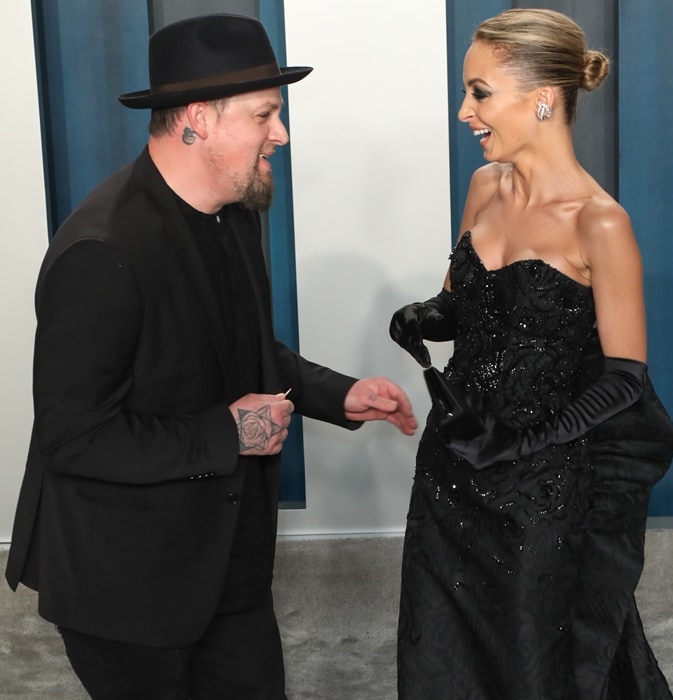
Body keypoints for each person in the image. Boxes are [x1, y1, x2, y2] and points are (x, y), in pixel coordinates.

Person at [5, 13, 417, 700]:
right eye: (264, 115)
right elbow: (73, 437)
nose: (280, 134)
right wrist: (229, 433)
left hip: (228, 567)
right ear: (198, 119)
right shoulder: (101, 252)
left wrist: (336, 394)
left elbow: (240, 351)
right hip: (126, 588)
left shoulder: (236, 211)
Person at [390, 8, 673, 699]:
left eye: (479, 93)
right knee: (439, 653)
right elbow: (466, 305)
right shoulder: (485, 187)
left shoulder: (600, 222)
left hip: (539, 490)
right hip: (450, 469)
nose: (465, 111)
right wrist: (427, 315)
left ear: (543, 98)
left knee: (534, 665)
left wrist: (522, 444)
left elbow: (625, 379)